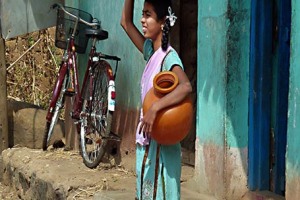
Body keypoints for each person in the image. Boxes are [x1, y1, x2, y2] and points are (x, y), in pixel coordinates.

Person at [121, 0, 192, 199]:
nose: (142, 20)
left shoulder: (169, 57)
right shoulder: (152, 53)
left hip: (162, 141)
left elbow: (185, 86)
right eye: (142, 14)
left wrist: (155, 108)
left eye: (148, 15)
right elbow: (125, 23)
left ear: (162, 22)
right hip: (148, 140)